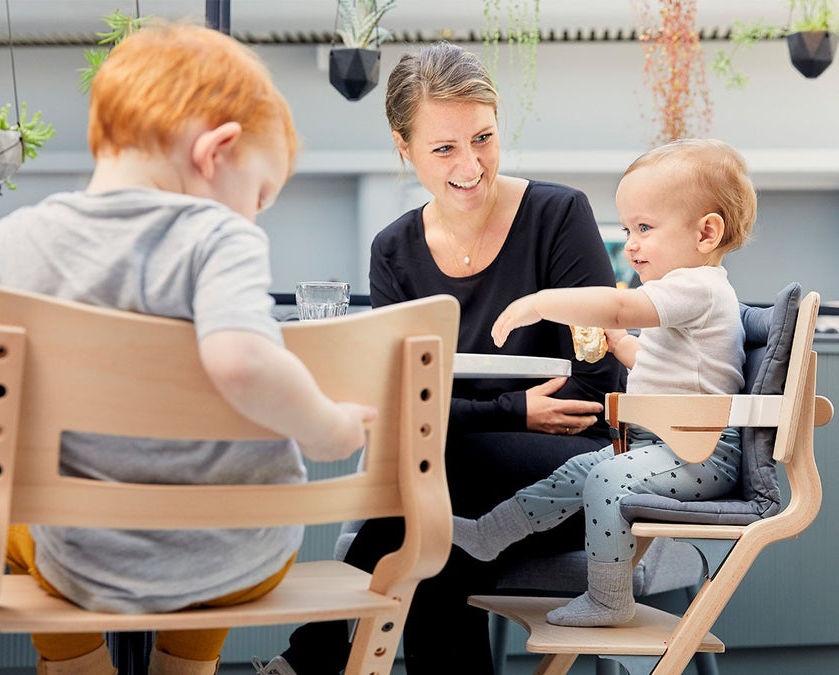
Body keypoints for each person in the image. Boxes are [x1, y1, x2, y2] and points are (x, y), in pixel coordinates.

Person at [0, 23, 376, 675]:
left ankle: (76, 659)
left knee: (9, 507)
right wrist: (329, 426)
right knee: (231, 507)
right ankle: (186, 663)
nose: (251, 217)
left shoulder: (18, 241)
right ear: (217, 150)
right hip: (238, 563)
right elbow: (241, 361)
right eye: (259, 195)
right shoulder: (218, 237)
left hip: (79, 567)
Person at [254, 42, 624, 675]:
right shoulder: (394, 248)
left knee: (426, 471)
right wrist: (514, 409)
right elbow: (398, 404)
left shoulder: (559, 216)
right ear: (404, 146)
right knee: (434, 527)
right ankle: (309, 657)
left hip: (575, 482)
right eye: (444, 148)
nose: (471, 164)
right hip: (452, 486)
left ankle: (311, 654)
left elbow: (590, 387)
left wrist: (457, 414)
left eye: (482, 137)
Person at [453, 138, 756, 627]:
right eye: (628, 228)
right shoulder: (688, 297)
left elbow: (618, 305)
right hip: (666, 446)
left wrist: (539, 303)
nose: (631, 243)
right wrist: (620, 345)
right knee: (573, 473)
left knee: (604, 480)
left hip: (701, 453)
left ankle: (609, 599)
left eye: (644, 227)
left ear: (706, 233)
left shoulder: (696, 286)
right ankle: (490, 534)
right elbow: (657, 365)